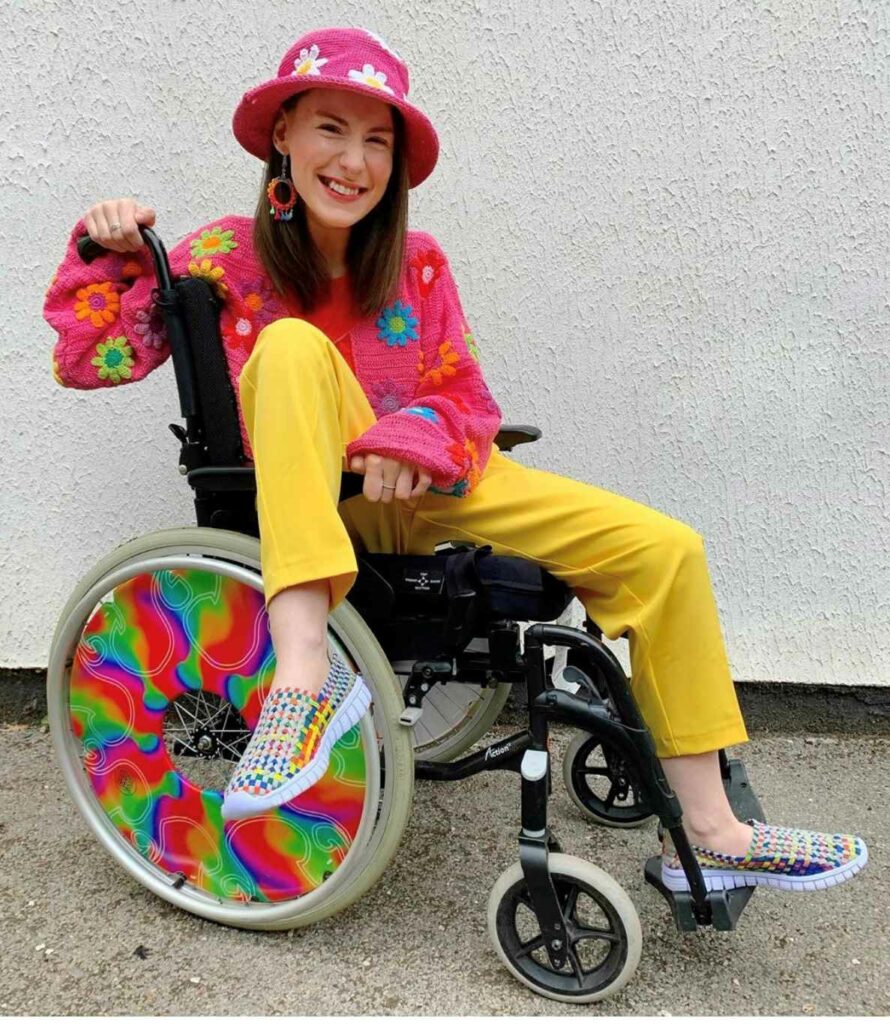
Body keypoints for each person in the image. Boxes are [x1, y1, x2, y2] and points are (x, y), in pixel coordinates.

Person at [44, 26, 867, 890]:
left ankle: (712, 831)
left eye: (376, 140)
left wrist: (410, 438)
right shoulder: (222, 257)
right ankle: (303, 676)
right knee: (286, 346)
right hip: (318, 500)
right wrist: (110, 251)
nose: (353, 160)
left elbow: (468, 402)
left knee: (666, 551)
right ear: (282, 132)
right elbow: (86, 360)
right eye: (331, 128)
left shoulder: (419, 264)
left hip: (435, 481)